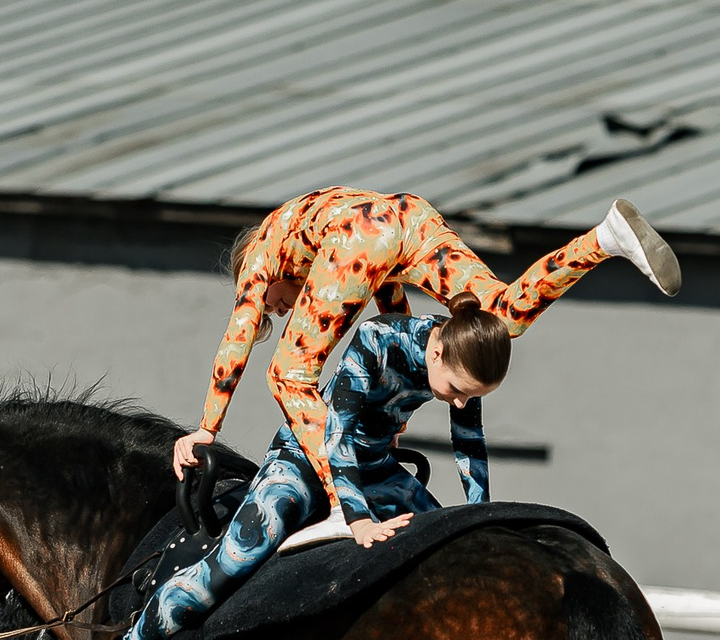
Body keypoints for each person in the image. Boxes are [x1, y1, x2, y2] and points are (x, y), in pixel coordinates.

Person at [92, 299, 510, 640]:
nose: (461, 403)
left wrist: (478, 513)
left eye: (472, 396)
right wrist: (358, 519)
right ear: (437, 353)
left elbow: (469, 442)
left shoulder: (462, 357)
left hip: (373, 468)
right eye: (457, 390)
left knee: (448, 540)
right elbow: (339, 434)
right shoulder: (379, 340)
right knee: (234, 560)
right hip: (305, 458)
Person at [173, 190, 677, 525]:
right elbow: (392, 310)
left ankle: (338, 500)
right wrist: (392, 400)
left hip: (360, 237)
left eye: (275, 304)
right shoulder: (320, 242)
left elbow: (235, 342)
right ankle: (603, 239)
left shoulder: (262, 255)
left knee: (288, 374)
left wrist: (206, 429)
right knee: (499, 316)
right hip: (409, 216)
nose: (280, 311)